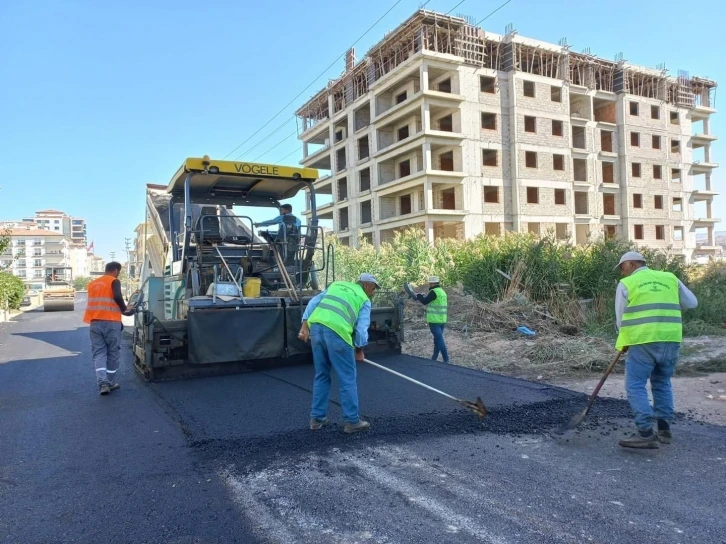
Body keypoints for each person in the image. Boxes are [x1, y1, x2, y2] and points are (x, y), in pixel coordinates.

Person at [613, 251, 698, 449]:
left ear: (632, 264)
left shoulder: (627, 284)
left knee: (635, 385)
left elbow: (620, 319)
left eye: (622, 267)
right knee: (662, 382)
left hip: (643, 341)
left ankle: (644, 433)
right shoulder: (670, 278)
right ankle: (664, 430)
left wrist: (624, 341)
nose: (622, 273)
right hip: (671, 339)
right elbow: (692, 303)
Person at [298, 273, 379, 434]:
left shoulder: (336, 285)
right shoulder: (364, 300)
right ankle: (352, 421)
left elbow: (314, 302)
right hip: (338, 334)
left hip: (317, 329)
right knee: (347, 378)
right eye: (374, 288)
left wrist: (304, 326)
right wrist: (359, 350)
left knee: (321, 374)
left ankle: (317, 419)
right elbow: (361, 330)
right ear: (367, 285)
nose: (374, 292)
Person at [83, 262, 135, 395]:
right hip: (111, 323)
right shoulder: (114, 281)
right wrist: (125, 309)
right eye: (118, 272)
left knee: (99, 353)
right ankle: (110, 382)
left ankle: (102, 384)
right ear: (116, 270)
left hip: (94, 322)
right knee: (113, 352)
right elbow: (117, 297)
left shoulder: (92, 284)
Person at [412, 276, 449, 364]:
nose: (429, 284)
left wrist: (419, 296)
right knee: (437, 340)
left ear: (432, 283)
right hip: (442, 319)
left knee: (439, 340)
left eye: (429, 283)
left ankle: (446, 359)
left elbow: (425, 301)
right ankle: (434, 358)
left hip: (434, 320)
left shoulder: (434, 292)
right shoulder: (442, 292)